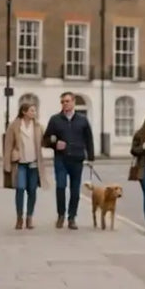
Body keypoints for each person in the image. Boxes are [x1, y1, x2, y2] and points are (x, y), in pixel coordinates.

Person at [41, 91, 95, 230]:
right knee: (60, 186)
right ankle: (60, 215)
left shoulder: (82, 120)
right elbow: (45, 140)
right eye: (62, 102)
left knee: (75, 189)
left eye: (67, 101)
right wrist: (55, 144)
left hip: (77, 159)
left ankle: (72, 218)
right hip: (61, 159)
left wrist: (91, 158)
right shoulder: (55, 119)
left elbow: (89, 139)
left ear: (73, 102)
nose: (65, 104)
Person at [3, 102, 47, 229]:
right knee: (20, 189)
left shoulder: (38, 126)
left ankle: (29, 217)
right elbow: (8, 145)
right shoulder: (14, 126)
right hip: (20, 164)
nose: (34, 113)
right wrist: (8, 163)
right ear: (24, 112)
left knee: (32, 191)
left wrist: (54, 140)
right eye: (32, 110)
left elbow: (45, 141)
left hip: (33, 163)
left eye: (35, 110)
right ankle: (19, 218)